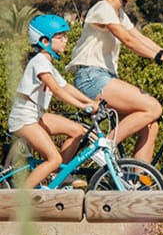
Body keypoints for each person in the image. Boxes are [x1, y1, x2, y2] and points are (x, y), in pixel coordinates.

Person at [67, 0, 163, 162]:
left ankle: (138, 184)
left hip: (102, 76)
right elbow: (128, 39)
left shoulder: (118, 12)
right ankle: (102, 149)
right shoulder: (102, 8)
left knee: (149, 124)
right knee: (153, 107)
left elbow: (139, 37)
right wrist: (159, 57)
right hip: (91, 77)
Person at [8, 14, 98, 188]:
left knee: (77, 131)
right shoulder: (39, 62)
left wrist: (92, 101)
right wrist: (83, 106)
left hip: (36, 115)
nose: (65, 40)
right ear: (44, 41)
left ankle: (59, 176)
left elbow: (66, 87)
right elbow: (56, 90)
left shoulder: (46, 63)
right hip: (24, 118)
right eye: (60, 37)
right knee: (54, 158)